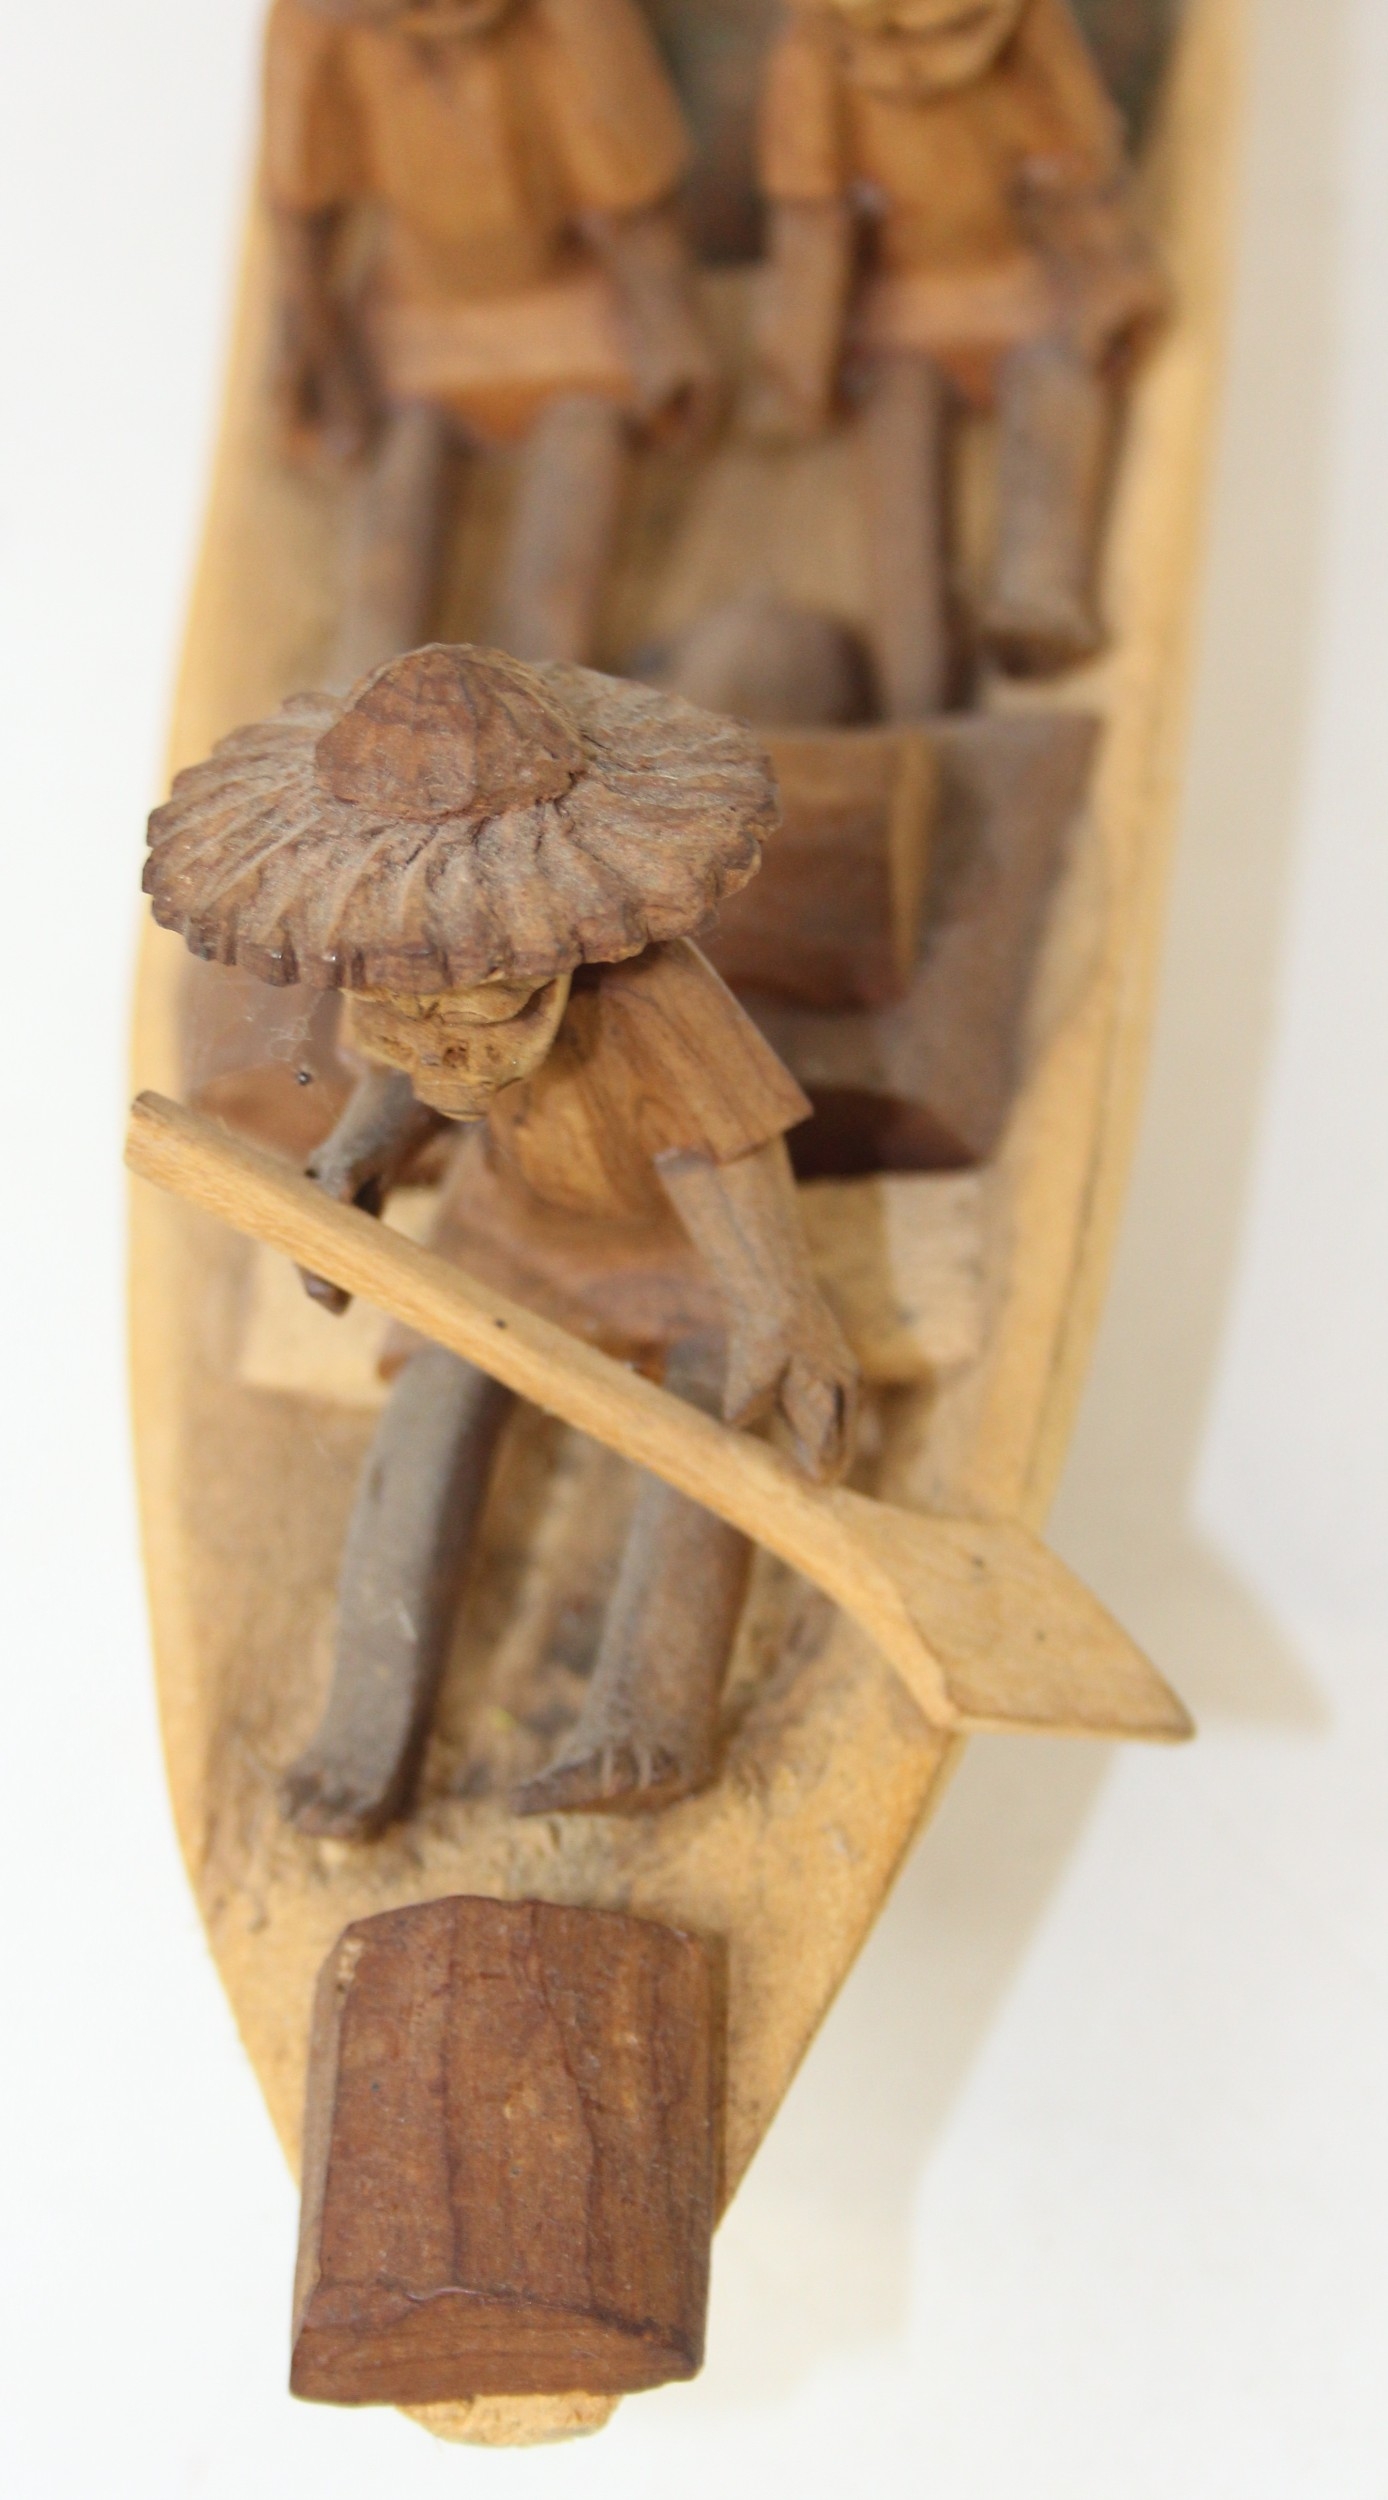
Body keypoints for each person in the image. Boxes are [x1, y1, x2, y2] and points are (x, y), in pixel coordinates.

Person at [145, 639, 858, 1833]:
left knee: (703, 1451)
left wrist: (778, 1305)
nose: (444, 1046)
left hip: (675, 1252)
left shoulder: (655, 999)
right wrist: (355, 1159)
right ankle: (364, 1726)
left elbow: (721, 1150)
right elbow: (401, 1080)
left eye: (487, 1014)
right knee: (422, 1429)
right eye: (408, 1015)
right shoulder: (392, 953)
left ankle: (652, 1720)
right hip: (507, 1232)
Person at [263, 0, 718, 674]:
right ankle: (364, 712)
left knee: (562, 547)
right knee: (390, 553)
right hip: (414, 317)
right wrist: (307, 338)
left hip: (574, 314)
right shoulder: (321, 29)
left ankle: (544, 707)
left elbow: (633, 193)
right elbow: (302, 208)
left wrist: (669, 327)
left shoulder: (567, 21)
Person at [746, 0, 1166, 707]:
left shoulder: (1029, 29)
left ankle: (1040, 592)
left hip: (1029, 289)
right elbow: (812, 216)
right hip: (901, 313)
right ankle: (912, 690)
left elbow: (1076, 172)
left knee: (1059, 380)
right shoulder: (813, 49)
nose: (914, 67)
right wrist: (801, 352)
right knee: (898, 475)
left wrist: (1109, 273)